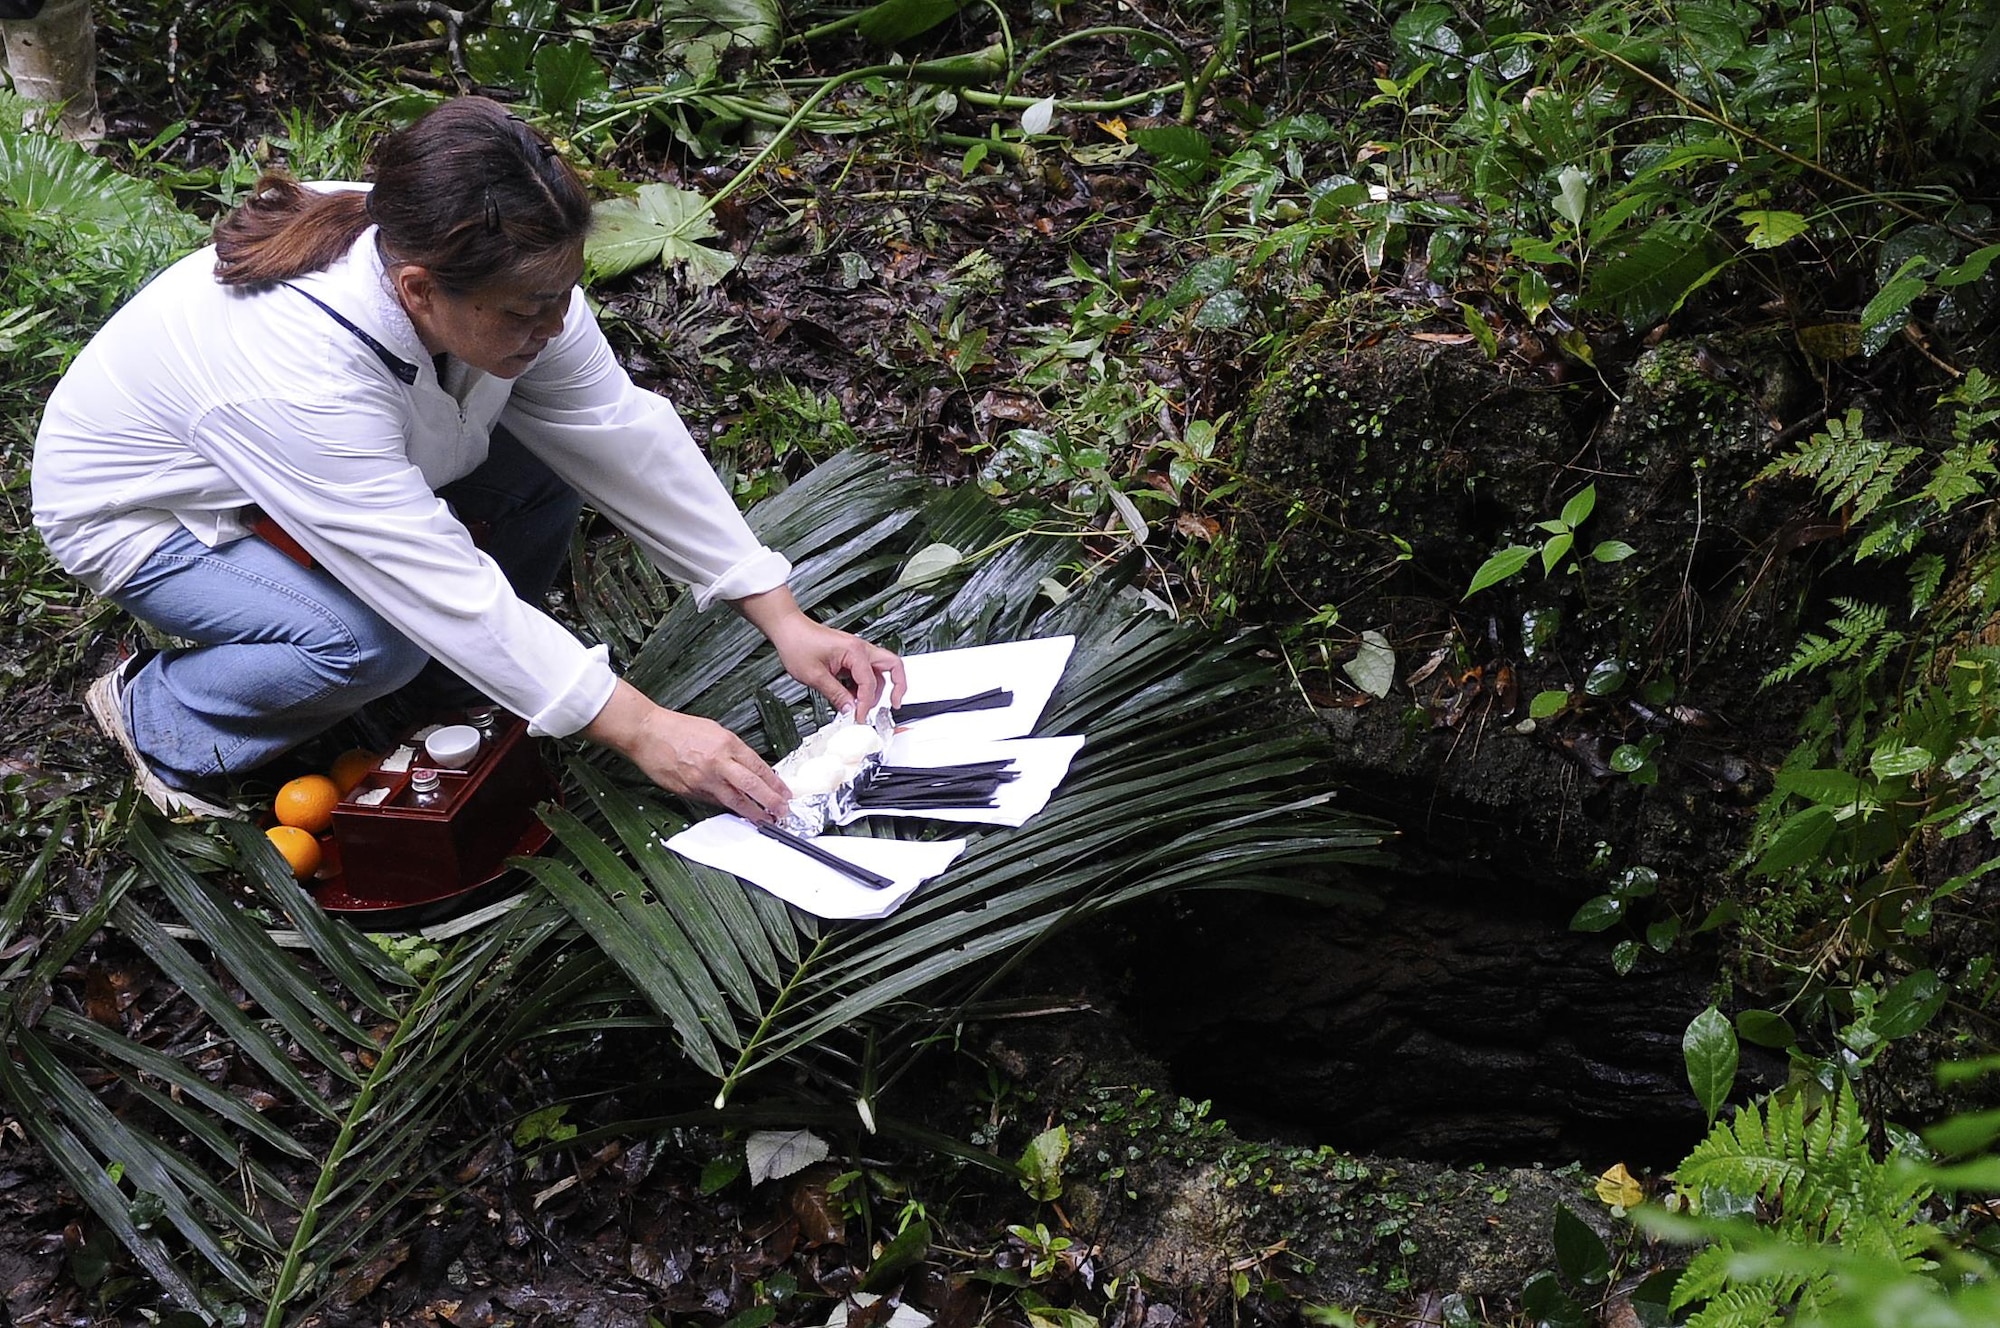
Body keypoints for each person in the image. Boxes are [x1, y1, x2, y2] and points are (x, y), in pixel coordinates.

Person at [31, 96, 901, 823]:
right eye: (527, 311)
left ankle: (441, 697)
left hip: (342, 463)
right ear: (417, 291)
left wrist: (783, 616)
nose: (553, 328)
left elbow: (617, 428)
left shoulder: (482, 258)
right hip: (153, 512)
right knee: (365, 640)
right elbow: (428, 579)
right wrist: (642, 730)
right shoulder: (296, 372)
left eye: (563, 296)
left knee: (543, 467)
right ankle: (161, 718)